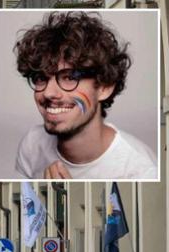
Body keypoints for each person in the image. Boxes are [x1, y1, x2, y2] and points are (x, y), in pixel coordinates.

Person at [12, 11, 156, 180]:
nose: (48, 93)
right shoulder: (32, 145)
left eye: (69, 78)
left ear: (104, 87)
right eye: (40, 78)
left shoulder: (140, 171)